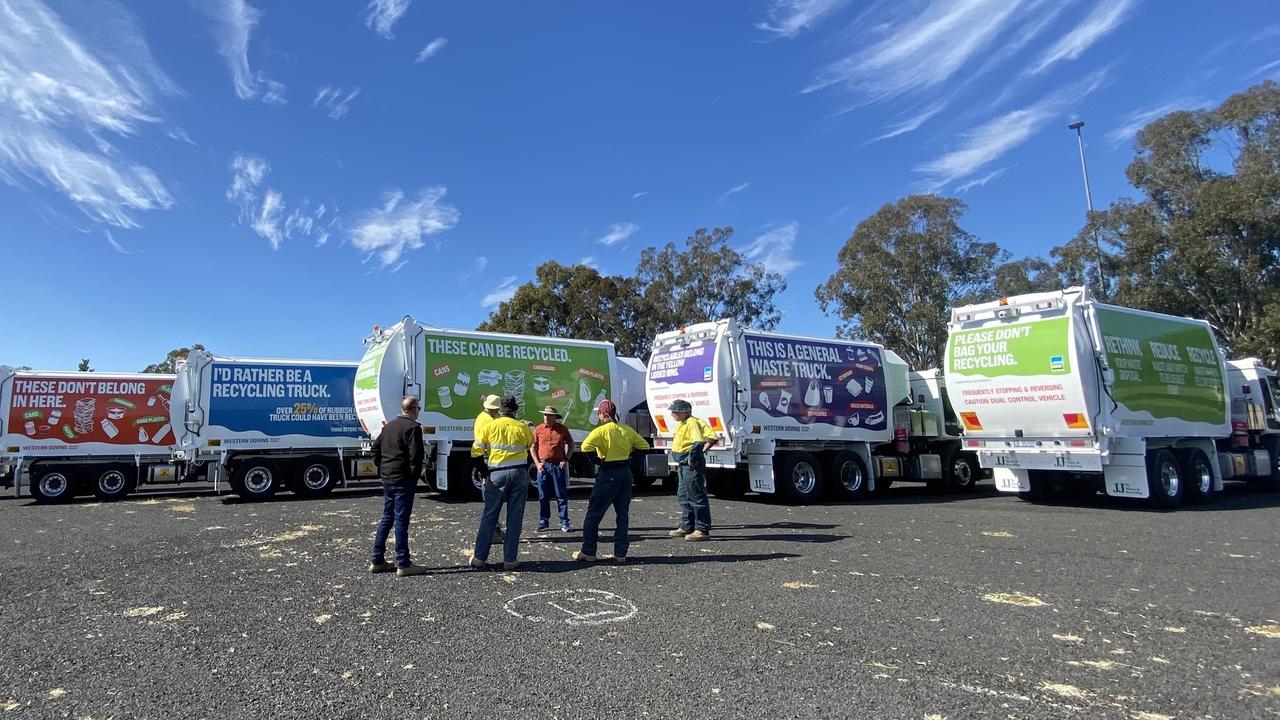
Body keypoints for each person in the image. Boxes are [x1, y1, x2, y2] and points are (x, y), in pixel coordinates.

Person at [572, 400, 650, 563]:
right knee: (622, 514)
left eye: (599, 413)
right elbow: (644, 447)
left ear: (603, 414)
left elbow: (586, 447)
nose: (598, 416)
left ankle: (589, 551)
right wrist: (631, 463)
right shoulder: (627, 430)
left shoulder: (600, 431)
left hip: (608, 473)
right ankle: (620, 554)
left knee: (594, 514)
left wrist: (599, 461)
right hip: (625, 473)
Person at [468, 395, 534, 570]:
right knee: (515, 518)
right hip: (519, 473)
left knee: (489, 516)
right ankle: (510, 560)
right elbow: (529, 445)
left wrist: (483, 473)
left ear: (500, 410)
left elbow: (475, 453)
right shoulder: (522, 427)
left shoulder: (489, 426)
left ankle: (479, 559)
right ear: (515, 410)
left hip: (496, 474)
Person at [369, 396, 427, 576]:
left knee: (387, 517)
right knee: (401, 520)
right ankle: (403, 563)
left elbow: (375, 449)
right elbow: (416, 457)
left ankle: (377, 560)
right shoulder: (413, 428)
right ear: (414, 409)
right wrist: (414, 476)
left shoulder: (389, 426)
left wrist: (382, 466)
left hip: (388, 478)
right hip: (403, 480)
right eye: (418, 408)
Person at [667, 399, 720, 541]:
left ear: (684, 412)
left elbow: (698, 442)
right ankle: (687, 526)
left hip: (690, 464)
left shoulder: (691, 423)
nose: (672, 414)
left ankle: (701, 529)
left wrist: (693, 457)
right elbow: (712, 438)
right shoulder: (683, 423)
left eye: (675, 411)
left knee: (696, 495)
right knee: (683, 495)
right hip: (684, 463)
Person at [531, 406, 574, 533]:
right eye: (545, 415)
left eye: (549, 415)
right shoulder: (538, 429)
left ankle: (564, 521)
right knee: (543, 495)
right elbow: (532, 447)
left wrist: (566, 459)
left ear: (555, 417)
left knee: (561, 494)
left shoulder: (562, 429)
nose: (546, 417)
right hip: (543, 466)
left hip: (557, 465)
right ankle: (544, 521)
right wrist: (537, 464)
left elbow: (571, 444)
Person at [474, 394, 504, 541]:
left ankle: (495, 531)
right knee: (491, 502)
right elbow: (478, 449)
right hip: (488, 462)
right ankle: (492, 533)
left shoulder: (483, 417)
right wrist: (484, 472)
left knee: (490, 501)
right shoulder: (488, 421)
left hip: (485, 461)